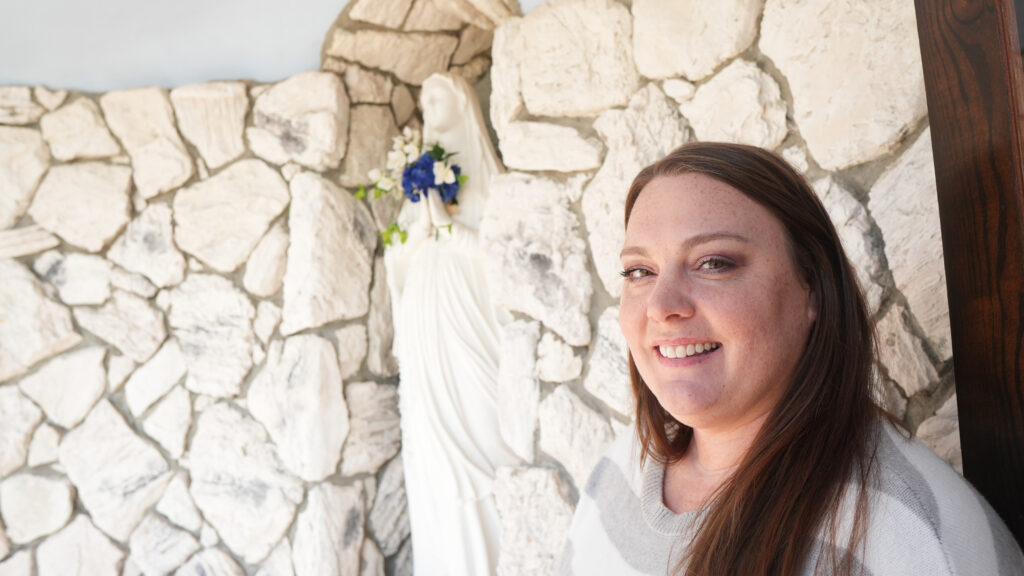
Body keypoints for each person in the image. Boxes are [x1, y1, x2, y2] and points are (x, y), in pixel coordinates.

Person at [562, 142, 1024, 575]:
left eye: (714, 263)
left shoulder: (911, 539)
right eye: (640, 271)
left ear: (812, 289)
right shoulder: (619, 469)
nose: (662, 306)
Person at [384, 73, 520, 576]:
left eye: (437, 95)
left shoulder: (488, 177)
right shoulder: (420, 175)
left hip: (472, 313)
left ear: (462, 101)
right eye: (423, 99)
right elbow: (396, 254)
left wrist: (450, 230)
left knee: (484, 426)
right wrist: (421, 225)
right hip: (427, 315)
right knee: (434, 439)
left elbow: (504, 254)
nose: (428, 104)